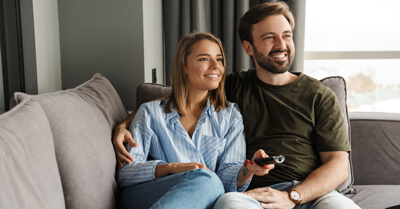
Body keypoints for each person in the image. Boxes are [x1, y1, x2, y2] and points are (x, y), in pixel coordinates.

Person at [113, 2, 360, 209]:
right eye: (269, 37)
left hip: (310, 194)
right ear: (248, 47)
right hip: (251, 197)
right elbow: (179, 97)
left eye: (286, 36)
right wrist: (125, 121)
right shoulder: (233, 87)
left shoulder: (320, 95)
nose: (281, 44)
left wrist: (292, 197)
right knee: (228, 202)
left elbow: (339, 167)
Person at [117, 32, 271, 209]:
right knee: (208, 180)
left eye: (219, 59)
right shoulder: (150, 113)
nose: (216, 66)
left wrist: (249, 169)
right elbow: (126, 173)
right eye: (204, 59)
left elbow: (228, 178)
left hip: (202, 196)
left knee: (212, 184)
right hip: (147, 195)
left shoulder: (230, 116)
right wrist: (173, 168)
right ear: (184, 66)